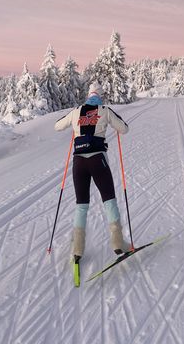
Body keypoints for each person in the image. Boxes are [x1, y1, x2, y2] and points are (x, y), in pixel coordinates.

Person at [54, 81, 131, 263]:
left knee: (81, 204)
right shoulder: (105, 110)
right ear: (100, 96)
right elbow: (124, 129)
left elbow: (57, 126)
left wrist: (75, 126)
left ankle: (77, 250)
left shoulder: (76, 111)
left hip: (79, 162)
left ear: (88, 95)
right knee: (109, 200)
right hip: (98, 160)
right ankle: (117, 242)